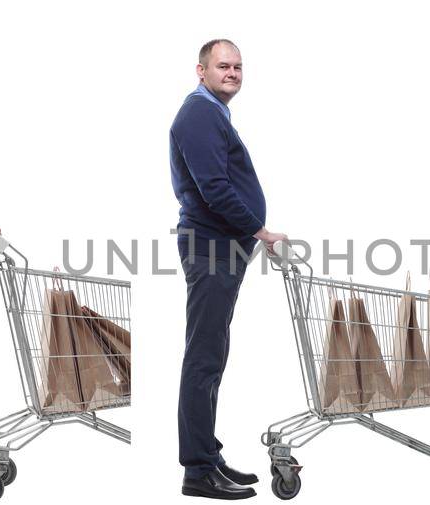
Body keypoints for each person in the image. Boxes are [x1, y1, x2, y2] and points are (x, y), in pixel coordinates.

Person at [170, 38, 287, 500]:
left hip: (223, 248)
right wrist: (260, 230)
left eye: (238, 66)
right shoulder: (198, 113)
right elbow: (213, 187)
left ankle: (208, 454)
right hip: (211, 246)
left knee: (212, 355)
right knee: (203, 357)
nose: (233, 72)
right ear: (201, 70)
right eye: (223, 66)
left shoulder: (213, 112)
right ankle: (197, 469)